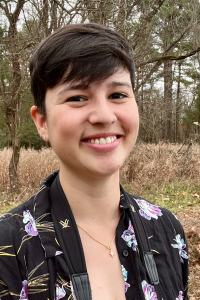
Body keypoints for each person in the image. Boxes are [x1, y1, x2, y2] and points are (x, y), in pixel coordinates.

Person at [0, 23, 189, 300]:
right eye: (77, 97)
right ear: (42, 122)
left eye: (117, 95)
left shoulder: (167, 229)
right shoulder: (8, 246)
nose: (104, 115)